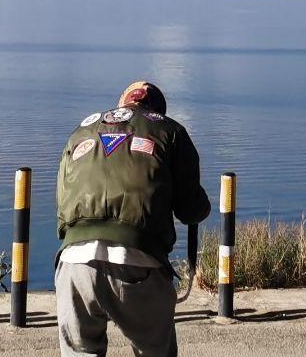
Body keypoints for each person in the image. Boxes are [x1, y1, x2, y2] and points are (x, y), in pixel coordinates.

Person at [55, 80, 211, 357]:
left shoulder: (81, 131)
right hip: (136, 260)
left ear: (121, 103)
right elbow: (191, 210)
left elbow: (62, 205)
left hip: (73, 261)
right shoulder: (170, 131)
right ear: (157, 111)